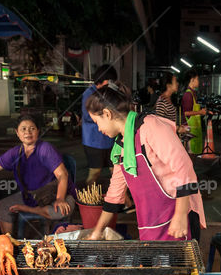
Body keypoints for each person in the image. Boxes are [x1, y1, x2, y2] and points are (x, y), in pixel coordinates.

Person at [85, 81, 206, 241]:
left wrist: (180, 215)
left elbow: (184, 167)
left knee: (181, 265)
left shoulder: (151, 127)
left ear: (107, 114)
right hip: (150, 222)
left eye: (97, 122)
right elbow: (115, 194)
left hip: (178, 216)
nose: (99, 129)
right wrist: (97, 232)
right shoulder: (123, 145)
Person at [81, 65, 118, 186]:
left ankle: (124, 201)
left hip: (109, 139)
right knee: (95, 173)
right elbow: (87, 116)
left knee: (116, 172)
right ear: (106, 80)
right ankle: (87, 200)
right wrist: (105, 115)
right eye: (111, 81)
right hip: (94, 141)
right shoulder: (89, 94)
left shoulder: (107, 93)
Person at [180, 71, 208, 155]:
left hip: (194, 128)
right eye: (197, 79)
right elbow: (186, 113)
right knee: (190, 154)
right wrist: (200, 112)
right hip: (189, 128)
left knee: (194, 153)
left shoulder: (193, 93)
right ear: (192, 80)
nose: (198, 81)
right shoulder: (188, 94)